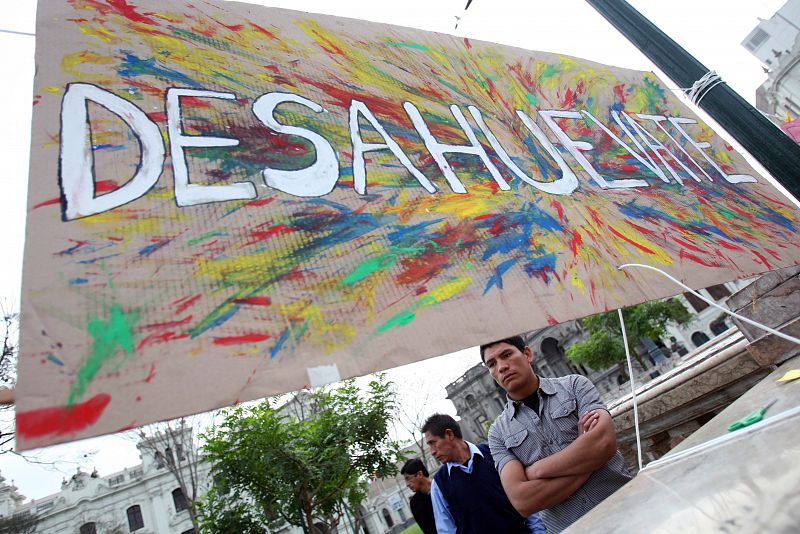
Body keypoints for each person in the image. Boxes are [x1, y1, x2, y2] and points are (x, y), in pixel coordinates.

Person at [481, 335, 632, 533]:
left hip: (627, 506)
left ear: (527, 353)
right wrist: (589, 457)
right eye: (492, 364)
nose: (501, 367)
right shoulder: (498, 433)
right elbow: (523, 501)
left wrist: (536, 471)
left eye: (506, 355)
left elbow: (603, 443)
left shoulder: (575, 386)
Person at [421, 413, 546, 534]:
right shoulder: (439, 484)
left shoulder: (495, 454)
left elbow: (525, 497)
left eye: (433, 443)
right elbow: (446, 530)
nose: (432, 452)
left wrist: (538, 531)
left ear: (449, 434)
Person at [400, 458, 437, 534]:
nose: (407, 484)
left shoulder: (444, 486)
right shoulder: (415, 504)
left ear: (419, 474)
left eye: (408, 478)